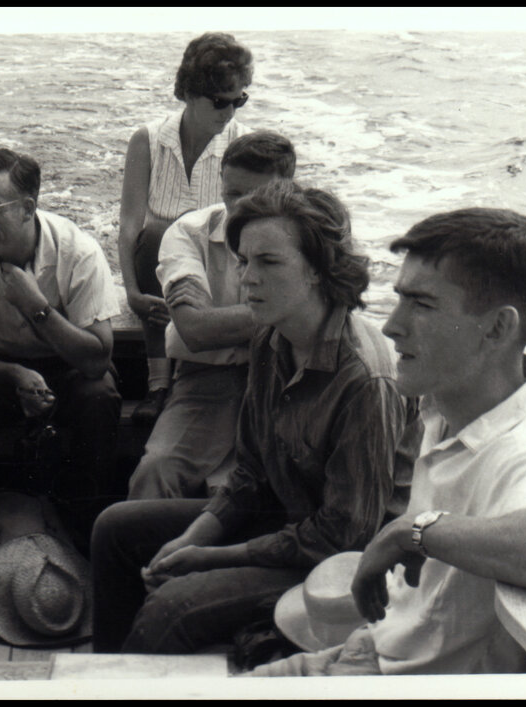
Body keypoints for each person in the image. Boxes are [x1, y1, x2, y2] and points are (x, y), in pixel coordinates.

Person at [92, 180, 421, 654]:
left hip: (342, 564)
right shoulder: (271, 339)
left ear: (318, 270)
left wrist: (209, 559)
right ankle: (106, 676)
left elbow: (341, 535)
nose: (247, 279)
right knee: (115, 529)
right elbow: (250, 473)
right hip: (285, 519)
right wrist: (192, 538)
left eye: (268, 262)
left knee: (172, 608)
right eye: (244, 261)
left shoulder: (367, 381)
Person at [250, 207, 526, 676]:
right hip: (376, 642)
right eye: (399, 299)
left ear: (498, 329)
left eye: (421, 304)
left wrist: (412, 529)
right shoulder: (453, 396)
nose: (392, 326)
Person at [0, 148, 123, 618]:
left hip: (66, 364)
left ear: (29, 209)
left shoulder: (78, 252)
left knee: (102, 398)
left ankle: (79, 540)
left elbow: (97, 358)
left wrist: (36, 307)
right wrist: (14, 374)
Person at [128, 130, 296, 500]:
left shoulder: (314, 234)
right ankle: (150, 558)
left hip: (291, 378)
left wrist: (227, 320)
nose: (241, 209)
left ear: (288, 190)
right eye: (232, 194)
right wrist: (290, 309)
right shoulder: (188, 234)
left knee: (292, 481)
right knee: (154, 474)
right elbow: (195, 330)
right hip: (206, 380)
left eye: (256, 197)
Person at [118, 32, 253, 424]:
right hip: (162, 272)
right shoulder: (147, 141)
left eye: (239, 100)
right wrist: (130, 292)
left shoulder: (244, 147)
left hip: (221, 267)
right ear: (189, 93)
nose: (230, 112)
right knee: (157, 236)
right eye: (220, 101)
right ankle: (159, 383)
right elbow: (129, 227)